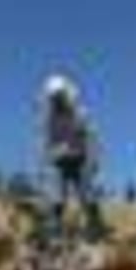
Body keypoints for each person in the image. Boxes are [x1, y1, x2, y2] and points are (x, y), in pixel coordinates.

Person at [40, 73, 103, 241]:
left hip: (81, 160)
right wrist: (46, 161)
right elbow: (46, 142)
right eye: (53, 96)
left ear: (64, 94)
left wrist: (94, 158)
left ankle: (95, 228)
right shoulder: (49, 117)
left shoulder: (79, 113)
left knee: (87, 195)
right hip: (58, 162)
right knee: (56, 197)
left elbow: (91, 136)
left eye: (57, 95)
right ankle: (54, 230)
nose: (55, 99)